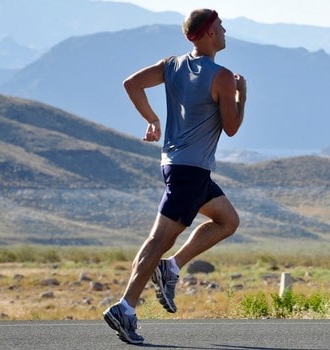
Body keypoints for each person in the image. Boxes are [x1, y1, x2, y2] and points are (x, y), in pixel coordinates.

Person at [103, 8, 247, 344]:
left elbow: (132, 83)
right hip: (190, 171)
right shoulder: (223, 77)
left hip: (177, 166)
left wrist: (152, 118)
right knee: (158, 240)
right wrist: (242, 95)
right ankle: (125, 307)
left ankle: (171, 267)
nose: (225, 32)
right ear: (209, 32)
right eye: (222, 27)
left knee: (227, 220)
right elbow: (232, 127)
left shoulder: (172, 65)